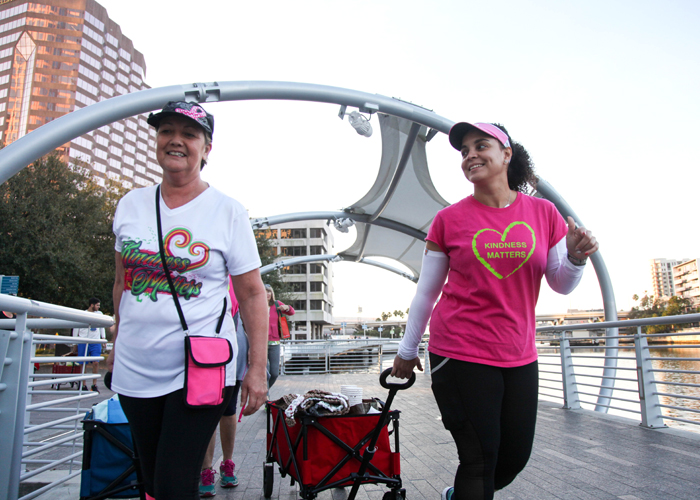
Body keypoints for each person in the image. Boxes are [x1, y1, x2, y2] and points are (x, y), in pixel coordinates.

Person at [391, 122, 599, 500]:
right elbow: (426, 293)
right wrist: (406, 352)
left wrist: (574, 256)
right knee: (479, 460)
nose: (470, 155)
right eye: (464, 151)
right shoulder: (447, 221)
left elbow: (560, 282)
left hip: (520, 354)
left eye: (480, 145)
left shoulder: (544, 213)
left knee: (513, 459)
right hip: (459, 352)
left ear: (507, 154)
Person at [107, 101, 269, 500]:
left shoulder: (227, 211)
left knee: (174, 485)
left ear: (206, 148)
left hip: (199, 369)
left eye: (189, 134)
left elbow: (251, 294)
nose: (175, 141)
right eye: (166, 132)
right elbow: (121, 282)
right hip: (135, 367)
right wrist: (115, 345)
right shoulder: (130, 204)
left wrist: (257, 368)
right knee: (149, 479)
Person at [199, 279, 250, 497]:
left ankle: (227, 463)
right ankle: (205, 470)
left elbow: (247, 316)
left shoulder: (237, 276)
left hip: (232, 352)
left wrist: (255, 358)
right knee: (206, 411)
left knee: (228, 410)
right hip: (201, 352)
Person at [69, 297, 105, 392]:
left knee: (96, 362)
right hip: (83, 341)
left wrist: (103, 338)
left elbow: (102, 326)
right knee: (83, 363)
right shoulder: (82, 314)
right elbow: (76, 328)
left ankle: (94, 384)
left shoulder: (99, 314)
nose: (98, 307)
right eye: (97, 305)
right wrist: (75, 343)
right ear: (92, 305)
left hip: (95, 341)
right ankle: (84, 384)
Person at [265, 284, 294, 391]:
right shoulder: (257, 305)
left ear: (272, 293)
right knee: (264, 374)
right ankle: (266, 399)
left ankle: (265, 392)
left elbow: (292, 312)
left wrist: (287, 307)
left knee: (274, 373)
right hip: (261, 343)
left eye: (269, 291)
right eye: (265, 291)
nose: (267, 294)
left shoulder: (277, 304)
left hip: (274, 343)